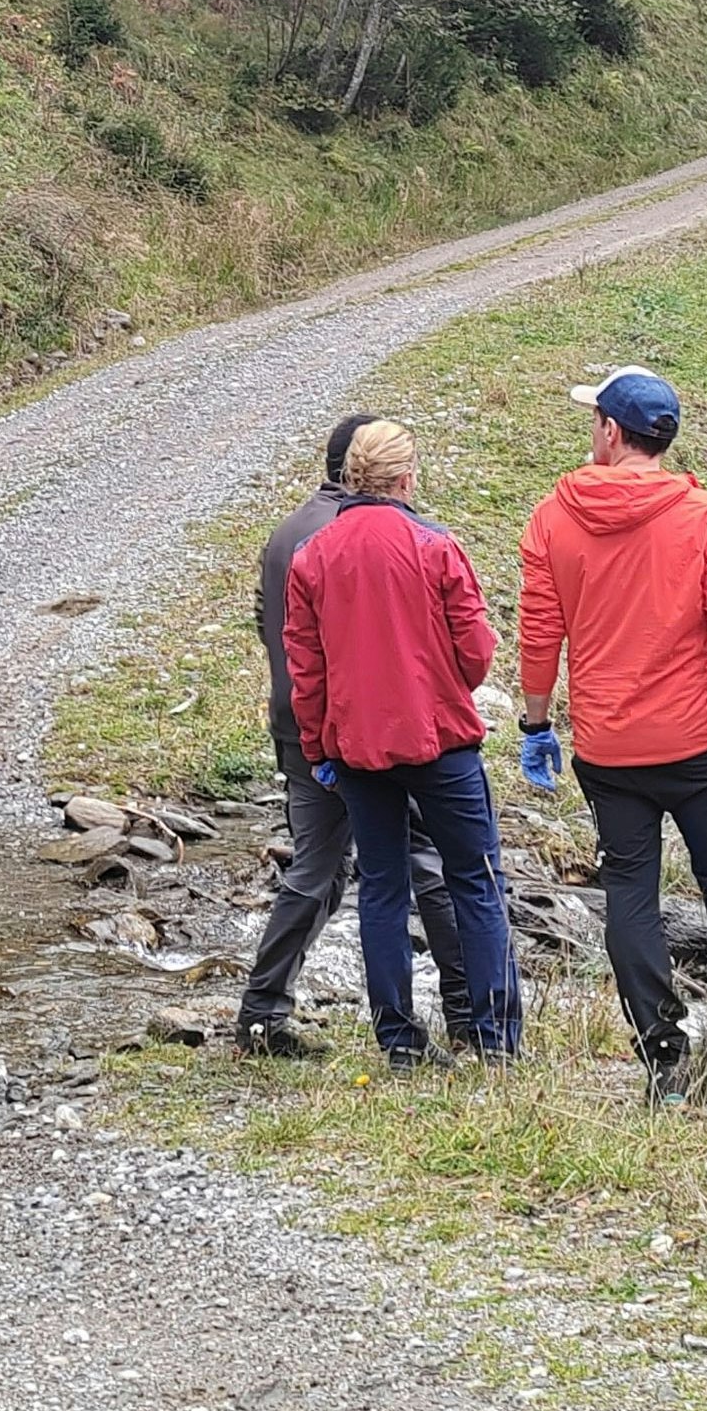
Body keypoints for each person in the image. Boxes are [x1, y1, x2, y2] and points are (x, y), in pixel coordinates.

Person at [516, 366, 707, 1112]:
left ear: (612, 433)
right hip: (699, 744)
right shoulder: (706, 516)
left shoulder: (553, 517)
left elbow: (539, 633)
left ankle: (664, 1062)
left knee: (631, 896)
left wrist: (536, 722)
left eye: (595, 421)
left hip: (610, 750)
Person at [238, 412, 476, 1059]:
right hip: (370, 731)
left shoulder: (288, 531)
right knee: (425, 865)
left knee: (317, 870)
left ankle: (261, 1010)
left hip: (300, 726)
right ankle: (465, 1017)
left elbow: (271, 625)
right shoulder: (362, 536)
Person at [282, 419, 520, 1064]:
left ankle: (398, 1042)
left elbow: (307, 669)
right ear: (407, 476)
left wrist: (318, 749)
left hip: (356, 747)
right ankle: (495, 1039)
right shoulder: (435, 546)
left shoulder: (313, 556)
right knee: (476, 880)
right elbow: (476, 653)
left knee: (381, 889)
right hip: (438, 737)